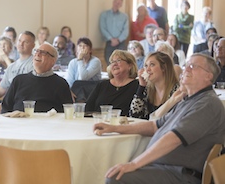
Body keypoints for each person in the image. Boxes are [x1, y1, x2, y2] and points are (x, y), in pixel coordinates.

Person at [96, 53, 225, 184]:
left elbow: (174, 138)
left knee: (117, 177)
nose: (186, 69)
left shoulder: (208, 103)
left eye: (193, 66)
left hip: (181, 174)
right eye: (186, 65)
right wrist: (114, 128)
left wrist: (134, 164)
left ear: (208, 76)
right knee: (113, 169)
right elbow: (154, 125)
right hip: (162, 168)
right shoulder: (187, 101)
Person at [1, 42, 73, 113]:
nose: (37, 54)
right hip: (18, 122)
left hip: (47, 123)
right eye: (36, 51)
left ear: (53, 61)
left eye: (43, 53)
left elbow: (68, 113)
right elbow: (5, 109)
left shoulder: (61, 84)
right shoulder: (18, 80)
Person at [85, 50, 139, 116]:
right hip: (99, 123)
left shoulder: (137, 86)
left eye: (118, 60)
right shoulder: (102, 85)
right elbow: (87, 108)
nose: (114, 64)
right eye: (112, 62)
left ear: (129, 65)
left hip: (124, 124)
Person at [129, 52, 179, 120]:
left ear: (164, 67)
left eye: (152, 64)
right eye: (146, 65)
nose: (147, 69)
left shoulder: (176, 90)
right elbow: (134, 115)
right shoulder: (147, 89)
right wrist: (141, 86)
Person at [100, 0, 129, 65]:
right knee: (109, 62)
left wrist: (118, 40)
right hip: (109, 42)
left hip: (121, 42)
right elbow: (103, 28)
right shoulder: (104, 14)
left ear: (121, 5)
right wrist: (112, 39)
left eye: (119, 3)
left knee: (122, 63)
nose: (117, 4)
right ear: (113, 2)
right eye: (116, 2)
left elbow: (126, 30)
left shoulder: (125, 16)